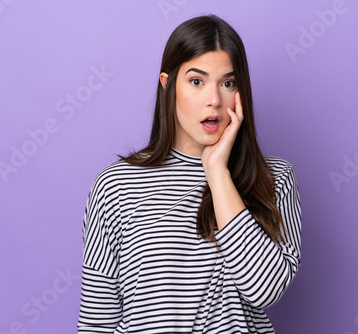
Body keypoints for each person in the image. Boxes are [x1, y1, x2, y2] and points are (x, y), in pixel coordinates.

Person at [77, 14, 301, 333]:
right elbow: (97, 322)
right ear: (168, 86)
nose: (214, 100)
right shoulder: (115, 186)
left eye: (228, 83)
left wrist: (216, 171)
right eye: (197, 81)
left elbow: (264, 289)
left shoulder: (275, 178)